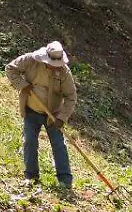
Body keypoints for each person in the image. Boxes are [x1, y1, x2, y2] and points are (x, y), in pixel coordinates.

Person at [6, 41, 78, 188]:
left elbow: (71, 97)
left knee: (58, 144)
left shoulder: (64, 72)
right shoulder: (30, 60)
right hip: (31, 109)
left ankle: (65, 179)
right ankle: (31, 176)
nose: (53, 66)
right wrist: (23, 86)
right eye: (51, 63)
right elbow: (10, 69)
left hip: (54, 113)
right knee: (30, 141)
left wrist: (62, 117)